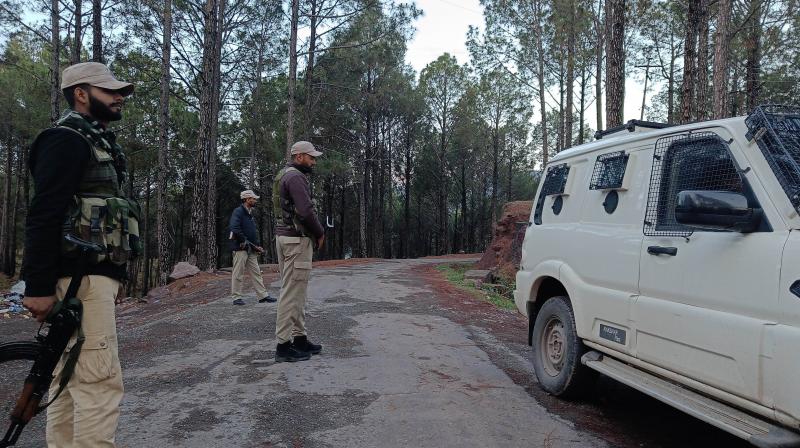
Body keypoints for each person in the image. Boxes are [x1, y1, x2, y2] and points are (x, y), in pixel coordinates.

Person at [22, 62, 139, 447]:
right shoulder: (66, 140)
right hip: (77, 279)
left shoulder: (92, 140)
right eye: (110, 91)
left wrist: (114, 277)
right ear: (81, 93)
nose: (119, 97)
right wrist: (37, 285)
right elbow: (44, 214)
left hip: (90, 277)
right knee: (99, 383)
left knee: (70, 383)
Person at [272, 141, 325, 362]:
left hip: (284, 238)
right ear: (300, 156)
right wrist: (320, 232)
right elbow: (305, 211)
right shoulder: (295, 177)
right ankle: (283, 346)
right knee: (291, 294)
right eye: (311, 157)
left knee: (297, 291)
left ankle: (299, 338)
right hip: (296, 241)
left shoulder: (283, 174)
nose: (314, 161)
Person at [229, 189, 275, 306]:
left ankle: (263, 296)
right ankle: (236, 297)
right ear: (247, 199)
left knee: (256, 273)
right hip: (240, 248)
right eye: (253, 198)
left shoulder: (249, 213)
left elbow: (252, 232)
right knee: (238, 273)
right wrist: (245, 241)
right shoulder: (238, 211)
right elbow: (234, 228)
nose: (255, 200)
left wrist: (256, 245)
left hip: (250, 249)